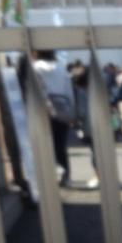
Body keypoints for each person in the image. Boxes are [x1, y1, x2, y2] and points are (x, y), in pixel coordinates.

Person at [33, 50, 75, 187]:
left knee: (45, 145)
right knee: (60, 144)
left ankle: (51, 175)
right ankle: (65, 174)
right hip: (62, 109)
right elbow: (69, 90)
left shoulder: (35, 68)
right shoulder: (61, 68)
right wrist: (71, 110)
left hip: (43, 110)